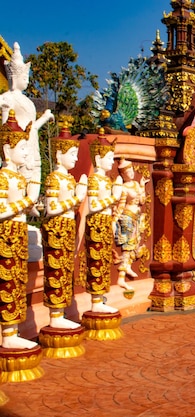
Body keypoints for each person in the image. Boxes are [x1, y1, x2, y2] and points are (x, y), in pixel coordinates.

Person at [42, 122, 88, 329]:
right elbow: (51, 208)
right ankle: (55, 315)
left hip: (67, 227)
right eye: (72, 154)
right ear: (59, 155)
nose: (76, 159)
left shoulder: (69, 179)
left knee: (66, 269)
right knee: (56, 270)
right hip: (57, 228)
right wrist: (76, 198)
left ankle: (60, 313)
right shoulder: (54, 179)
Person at [0, 110, 39, 349]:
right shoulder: (3, 178)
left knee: (17, 281)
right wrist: (28, 201)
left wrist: (32, 204)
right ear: (6, 150)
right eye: (23, 148)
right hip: (7, 235)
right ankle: (7, 334)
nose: (26, 153)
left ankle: (12, 331)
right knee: (7, 281)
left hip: (18, 233)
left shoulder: (19, 179)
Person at [0, 42, 54, 187]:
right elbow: (6, 130)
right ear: (14, 78)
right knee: (17, 185)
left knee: (33, 181)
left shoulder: (27, 101)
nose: (27, 81)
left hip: (31, 145)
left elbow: (32, 127)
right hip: (16, 148)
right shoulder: (8, 97)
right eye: (24, 78)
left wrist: (44, 117)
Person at [85, 130, 123, 313]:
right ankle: (96, 300)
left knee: (103, 261)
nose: (112, 161)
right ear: (98, 159)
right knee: (96, 261)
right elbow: (93, 205)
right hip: (97, 223)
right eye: (109, 157)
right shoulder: (95, 181)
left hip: (105, 222)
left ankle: (99, 299)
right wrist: (113, 197)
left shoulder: (106, 181)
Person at [113, 159, 149, 292]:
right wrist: (115, 219)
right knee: (127, 246)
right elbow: (121, 205)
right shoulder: (123, 188)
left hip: (137, 217)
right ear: (123, 174)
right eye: (128, 171)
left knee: (134, 244)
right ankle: (122, 276)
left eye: (132, 170)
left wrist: (142, 186)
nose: (131, 173)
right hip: (127, 217)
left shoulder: (135, 184)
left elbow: (142, 200)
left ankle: (124, 273)